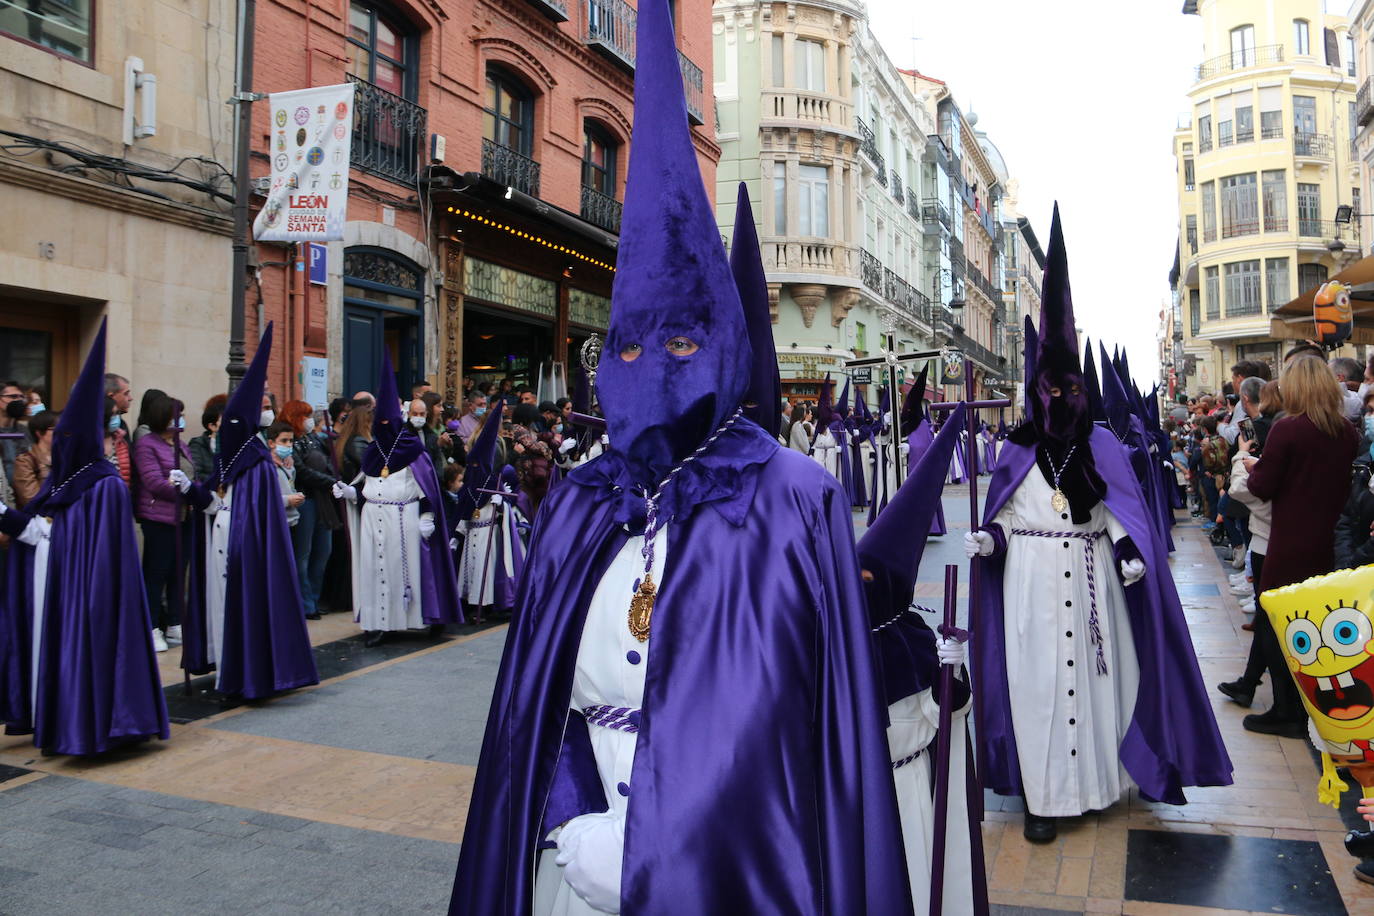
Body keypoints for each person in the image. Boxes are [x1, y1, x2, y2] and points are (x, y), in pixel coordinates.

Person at [450, 5, 911, 909]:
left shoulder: (794, 499)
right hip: (570, 862)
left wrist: (658, 846)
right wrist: (575, 821)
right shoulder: (581, 502)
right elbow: (529, 709)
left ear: (727, 348)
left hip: (732, 871)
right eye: (628, 348)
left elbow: (804, 728)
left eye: (682, 347)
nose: (651, 372)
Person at [965, 207, 1231, 843]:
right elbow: (1004, 517)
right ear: (1037, 390)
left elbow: (1119, 512)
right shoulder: (1016, 450)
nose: (1061, 400)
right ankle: (1041, 797)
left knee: (1094, 682)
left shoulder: (1103, 447)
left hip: (1091, 587)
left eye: (1071, 388)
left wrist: (1125, 550)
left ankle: (1092, 789)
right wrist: (990, 538)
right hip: (1029, 587)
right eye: (1050, 390)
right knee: (1037, 691)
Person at [0, 320, 169, 755]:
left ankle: (101, 721)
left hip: (92, 595)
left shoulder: (103, 485)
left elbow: (98, 554)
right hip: (66, 590)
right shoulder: (68, 482)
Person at [859, 402, 977, 913]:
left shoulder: (909, 639)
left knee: (916, 870)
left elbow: (944, 713)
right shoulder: (832, 642)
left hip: (909, 788)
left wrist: (951, 672)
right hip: (854, 801)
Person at [171, 323, 318, 699]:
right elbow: (214, 499)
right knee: (223, 607)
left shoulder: (254, 460)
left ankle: (246, 670)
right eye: (265, 406)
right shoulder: (239, 458)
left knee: (241, 606)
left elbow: (245, 509)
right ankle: (230, 666)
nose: (269, 411)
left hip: (237, 548)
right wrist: (190, 490)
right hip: (222, 544)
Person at [1239, 355, 1361, 737]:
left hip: (1290, 540)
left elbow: (1263, 486)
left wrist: (1251, 466)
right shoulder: (1347, 431)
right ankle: (1318, 707)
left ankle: (1286, 710)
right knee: (1319, 628)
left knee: (1276, 625)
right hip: (1329, 541)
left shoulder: (1288, 429)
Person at [335, 354, 462, 646]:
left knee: (402, 569)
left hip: (403, 519)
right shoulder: (371, 451)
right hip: (373, 519)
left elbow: (428, 489)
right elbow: (367, 484)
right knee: (373, 569)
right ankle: (377, 623)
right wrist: (350, 492)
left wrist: (427, 517)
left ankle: (416, 618)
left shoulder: (413, 450)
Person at [1216, 377, 1277, 707]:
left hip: (1271, 536)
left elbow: (1247, 490)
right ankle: (1249, 684)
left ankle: (1262, 691)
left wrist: (1241, 457)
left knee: (1270, 618)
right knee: (1268, 619)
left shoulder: (1276, 432)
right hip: (1283, 534)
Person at [131, 393, 195, 653]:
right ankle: (152, 626)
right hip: (159, 518)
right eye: (175, 414)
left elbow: (192, 473)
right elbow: (154, 482)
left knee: (178, 572)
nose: (180, 419)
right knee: (156, 573)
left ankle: (175, 623)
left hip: (185, 516)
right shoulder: (147, 444)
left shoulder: (181, 444)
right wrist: (184, 490)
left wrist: (194, 490)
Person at [280, 400, 338, 621]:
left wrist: (333, 478)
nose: (309, 420)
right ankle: (305, 603)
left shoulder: (313, 438)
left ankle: (314, 596)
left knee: (324, 551)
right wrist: (330, 482)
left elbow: (328, 460)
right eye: (305, 416)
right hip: (305, 499)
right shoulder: (290, 441)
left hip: (322, 500)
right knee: (303, 554)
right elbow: (301, 471)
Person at [12, 410, 56, 508]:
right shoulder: (25, 461)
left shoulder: (66, 458)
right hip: (41, 519)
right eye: (55, 429)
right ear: (39, 433)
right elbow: (31, 499)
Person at [334, 401, 374, 483]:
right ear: (366, 423)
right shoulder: (359, 442)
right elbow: (370, 467)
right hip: (357, 487)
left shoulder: (346, 439)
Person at [0, 380, 30, 484]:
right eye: (13, 397)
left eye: (21, 397)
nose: (19, 400)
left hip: (25, 491)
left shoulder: (25, 430)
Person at [189, 398, 225, 482]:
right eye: (224, 421)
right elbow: (196, 474)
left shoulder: (237, 444)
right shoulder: (198, 445)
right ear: (212, 426)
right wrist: (218, 482)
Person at [1332, 356, 1365, 422]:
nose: (1323, 378)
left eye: (1327, 374)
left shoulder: (1341, 403)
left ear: (1338, 378)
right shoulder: (1363, 399)